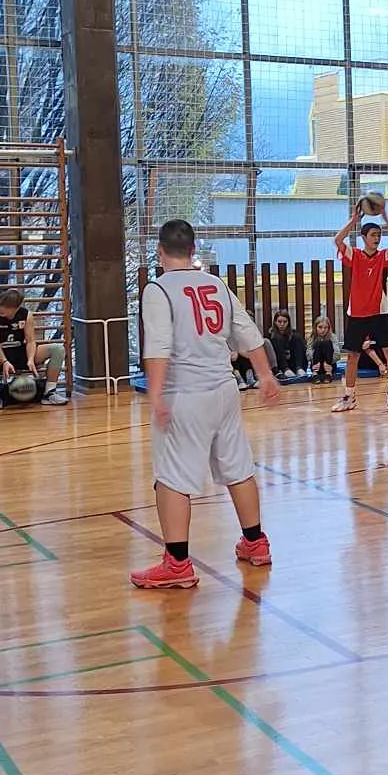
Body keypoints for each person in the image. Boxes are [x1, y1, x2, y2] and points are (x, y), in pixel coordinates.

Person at [129, 218, 280, 590]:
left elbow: (158, 346)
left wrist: (156, 394)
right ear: (193, 250)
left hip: (185, 393)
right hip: (225, 390)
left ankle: (177, 563)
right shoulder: (216, 284)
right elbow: (248, 333)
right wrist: (264, 375)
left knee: (171, 478)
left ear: (160, 252)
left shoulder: (157, 289)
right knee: (238, 467)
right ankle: (255, 542)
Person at [331, 207, 388, 414]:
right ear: (363, 238)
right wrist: (353, 220)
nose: (377, 238)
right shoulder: (355, 255)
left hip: (379, 312)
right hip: (357, 313)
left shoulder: (383, 257)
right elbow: (338, 240)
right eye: (373, 235)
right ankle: (349, 397)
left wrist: (386, 218)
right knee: (353, 356)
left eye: (379, 235)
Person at [0, 287, 65, 404]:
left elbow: (30, 341)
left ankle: (49, 392)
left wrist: (31, 359)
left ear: (16, 308)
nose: (2, 309)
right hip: (0, 355)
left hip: (21, 352)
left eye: (7, 307)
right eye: (0, 305)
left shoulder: (26, 315)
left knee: (58, 349)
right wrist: (4, 361)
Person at [266, 309, 309, 379]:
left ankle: (299, 368)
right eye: (279, 322)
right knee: (277, 338)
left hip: (294, 363)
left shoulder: (293, 334)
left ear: (288, 322)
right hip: (280, 366)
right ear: (275, 322)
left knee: (297, 337)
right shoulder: (271, 335)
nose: (282, 324)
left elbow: (302, 350)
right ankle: (285, 369)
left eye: (285, 322)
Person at [309, 311, 338, 382]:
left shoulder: (333, 337)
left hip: (330, 365)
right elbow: (308, 352)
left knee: (327, 342)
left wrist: (328, 364)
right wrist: (315, 363)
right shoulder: (312, 337)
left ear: (328, 328)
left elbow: (337, 354)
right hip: (316, 365)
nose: (323, 330)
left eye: (325, 327)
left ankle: (328, 374)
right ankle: (315, 374)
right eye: (320, 327)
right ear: (315, 327)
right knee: (318, 343)